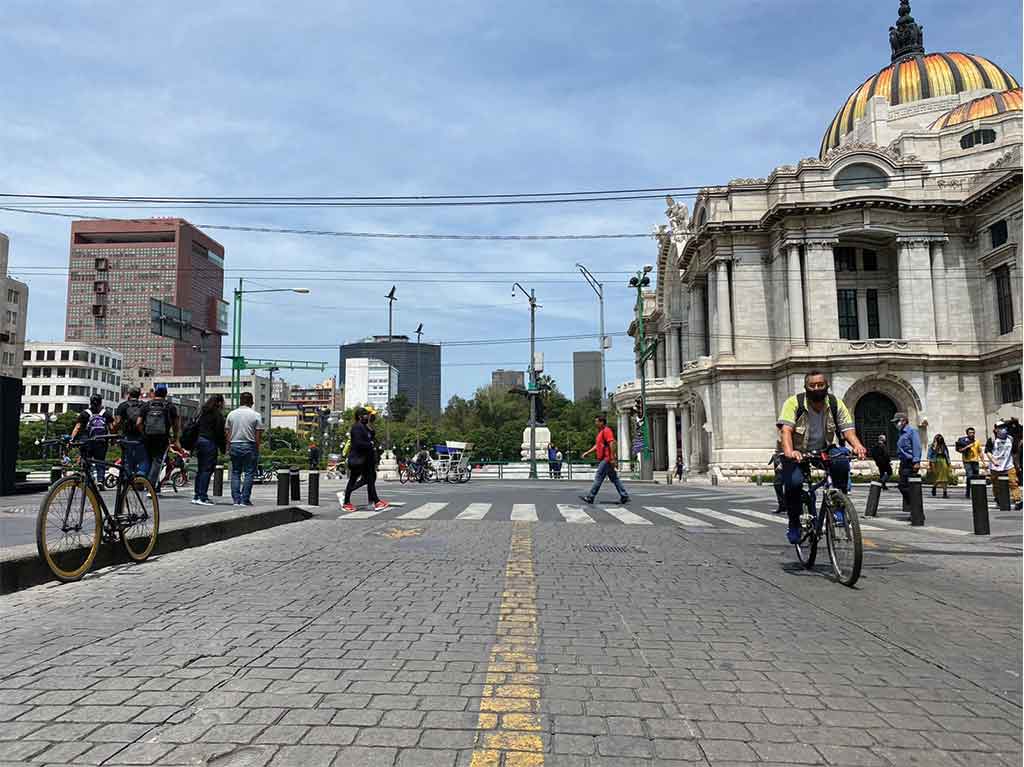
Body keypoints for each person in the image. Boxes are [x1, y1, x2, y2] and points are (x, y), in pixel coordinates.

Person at [777, 371, 867, 544]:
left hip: (824, 449)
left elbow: (848, 430)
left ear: (827, 386)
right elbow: (786, 431)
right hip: (798, 452)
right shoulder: (793, 403)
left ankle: (838, 506)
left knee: (841, 462)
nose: (817, 388)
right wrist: (789, 451)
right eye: (812, 385)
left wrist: (857, 445)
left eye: (820, 385)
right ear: (806, 387)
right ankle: (794, 522)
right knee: (794, 483)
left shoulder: (835, 403)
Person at [342, 407, 389, 512]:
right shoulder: (357, 427)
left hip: (365, 460)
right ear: (360, 416)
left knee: (370, 479)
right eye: (365, 415)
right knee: (353, 480)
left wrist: (370, 425)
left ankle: (376, 502)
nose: (368, 416)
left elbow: (371, 434)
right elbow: (358, 443)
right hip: (358, 459)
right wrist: (370, 444)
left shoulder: (363, 426)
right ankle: (346, 502)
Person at [579, 414, 629, 505]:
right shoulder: (600, 432)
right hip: (606, 459)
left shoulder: (607, 431)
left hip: (606, 459)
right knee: (614, 479)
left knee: (598, 477)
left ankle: (591, 496)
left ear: (602, 422)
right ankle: (624, 495)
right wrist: (587, 452)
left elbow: (612, 444)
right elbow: (597, 446)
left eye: (597, 421)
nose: (595, 423)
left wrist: (613, 458)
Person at [137, 385, 179, 493]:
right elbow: (175, 424)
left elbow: (138, 423)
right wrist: (175, 437)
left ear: (155, 393)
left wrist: (144, 433)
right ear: (165, 394)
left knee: (147, 459)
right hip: (162, 438)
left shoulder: (146, 405)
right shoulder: (170, 406)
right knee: (157, 461)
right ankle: (151, 486)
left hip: (147, 437)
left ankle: (141, 477)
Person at [225, 392, 263, 506]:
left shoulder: (231, 414)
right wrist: (257, 448)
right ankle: (245, 499)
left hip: (234, 444)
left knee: (235, 472)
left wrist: (228, 447)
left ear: (240, 401)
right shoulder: (256, 415)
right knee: (249, 473)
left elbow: (227, 432)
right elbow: (258, 434)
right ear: (251, 402)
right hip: (249, 445)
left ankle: (236, 499)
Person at [71, 394, 113, 486]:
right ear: (101, 402)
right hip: (101, 441)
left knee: (87, 461)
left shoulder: (84, 413)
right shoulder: (106, 413)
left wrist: (72, 439)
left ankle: (89, 480)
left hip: (86, 441)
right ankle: (100, 480)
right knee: (100, 461)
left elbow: (77, 427)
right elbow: (112, 428)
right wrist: (112, 439)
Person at [192, 395, 226, 506]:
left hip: (199, 441)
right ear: (219, 403)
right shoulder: (217, 415)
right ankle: (203, 497)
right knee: (207, 470)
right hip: (209, 443)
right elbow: (220, 433)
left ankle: (197, 495)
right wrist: (223, 448)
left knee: (200, 470)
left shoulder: (202, 413)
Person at [987, 421, 1022, 510]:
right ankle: (998, 499)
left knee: (1013, 483)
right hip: (995, 467)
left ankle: (1017, 500)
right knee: (996, 485)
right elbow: (988, 452)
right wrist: (993, 461)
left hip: (1008, 465)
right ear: (995, 429)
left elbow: (1014, 452)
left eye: (1004, 427)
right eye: (1000, 427)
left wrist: (1017, 464)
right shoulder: (992, 439)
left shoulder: (1010, 438)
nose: (1003, 429)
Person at [113, 387, 147, 478]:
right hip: (141, 436)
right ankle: (141, 477)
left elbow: (118, 422)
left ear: (129, 394)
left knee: (127, 459)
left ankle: (127, 480)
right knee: (142, 459)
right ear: (139, 395)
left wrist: (114, 433)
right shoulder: (144, 405)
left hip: (127, 436)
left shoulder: (123, 405)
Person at [893, 412, 922, 512]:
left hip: (910, 462)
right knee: (903, 485)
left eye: (897, 421)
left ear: (904, 421)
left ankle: (915, 507)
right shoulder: (901, 433)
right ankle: (913, 506)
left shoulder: (912, 431)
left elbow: (916, 446)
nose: (896, 424)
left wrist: (916, 461)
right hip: (903, 462)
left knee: (906, 485)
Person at [955, 427, 983, 498]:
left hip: (975, 461)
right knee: (970, 476)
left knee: (976, 477)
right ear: (967, 433)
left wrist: (983, 461)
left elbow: (980, 452)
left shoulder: (977, 442)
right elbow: (959, 450)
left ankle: (975, 492)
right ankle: (968, 492)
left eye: (973, 433)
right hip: (967, 461)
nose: (972, 434)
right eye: (970, 433)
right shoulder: (963, 441)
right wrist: (967, 446)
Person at [926, 434, 953, 499]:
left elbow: (947, 455)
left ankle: (945, 493)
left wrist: (949, 464)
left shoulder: (944, 446)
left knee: (945, 478)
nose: (939, 440)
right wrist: (929, 465)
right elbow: (929, 456)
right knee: (938, 477)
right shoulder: (932, 447)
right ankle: (934, 487)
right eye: (938, 439)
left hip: (944, 461)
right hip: (935, 462)